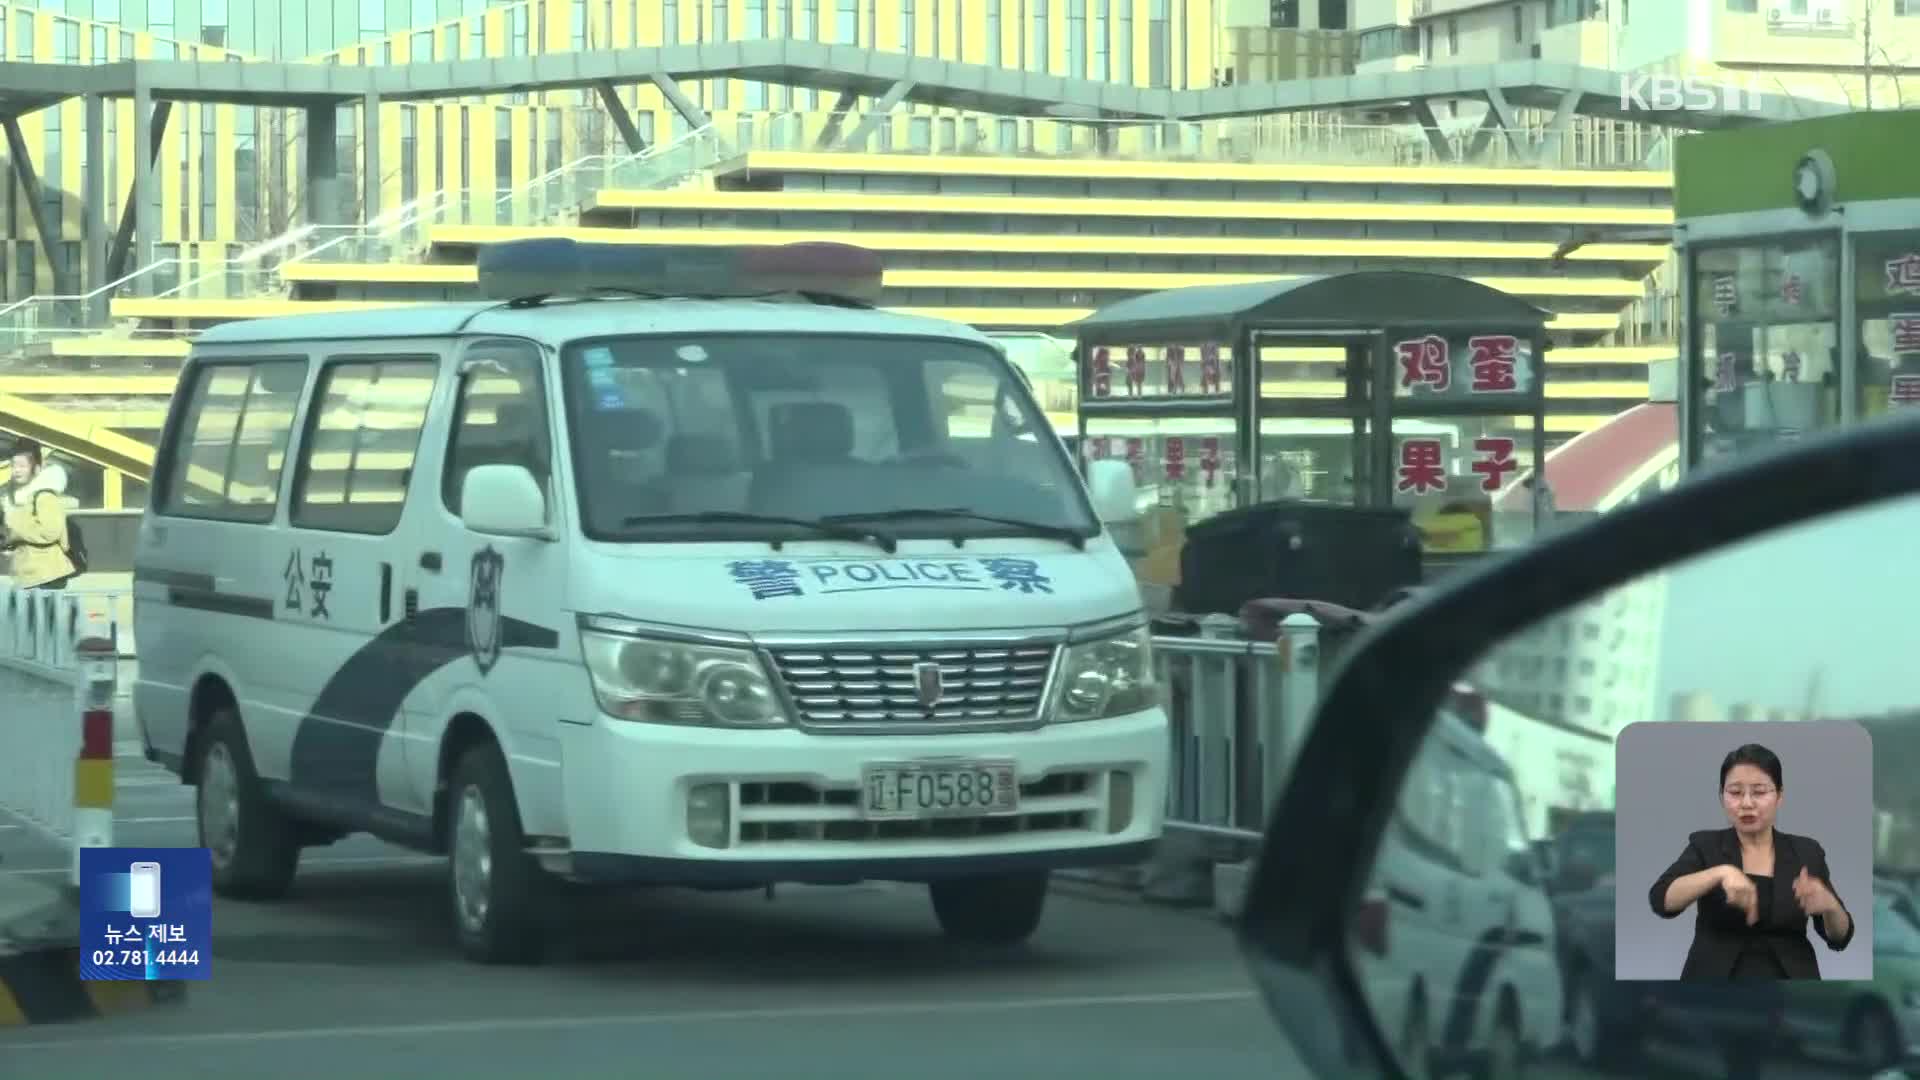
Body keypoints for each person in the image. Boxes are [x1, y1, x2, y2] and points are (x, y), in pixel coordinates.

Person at [1647, 742, 1855, 980]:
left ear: (1779, 796)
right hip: (1714, 986)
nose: (1746, 803)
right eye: (1735, 792)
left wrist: (1830, 906)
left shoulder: (1806, 852)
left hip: (1792, 989)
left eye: (1759, 792)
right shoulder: (1706, 845)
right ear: (1721, 796)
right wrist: (1720, 873)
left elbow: (1840, 938)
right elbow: (1661, 900)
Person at [2, 438, 77, 590]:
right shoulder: (13, 497)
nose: (16, 470)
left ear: (36, 467)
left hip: (47, 575)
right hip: (28, 573)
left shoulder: (44, 494)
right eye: (13, 465)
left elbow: (50, 532)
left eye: (22, 466)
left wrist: (14, 532)